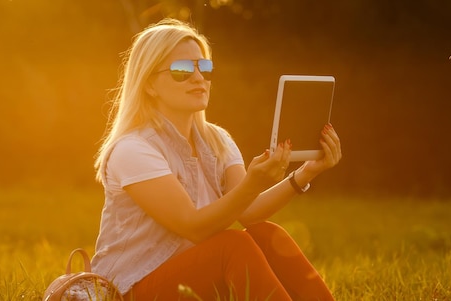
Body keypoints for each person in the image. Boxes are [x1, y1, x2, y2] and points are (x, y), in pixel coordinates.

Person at [91, 18, 342, 301]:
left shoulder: (216, 139)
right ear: (149, 84)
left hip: (193, 276)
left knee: (267, 234)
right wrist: (252, 183)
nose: (198, 78)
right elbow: (192, 226)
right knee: (232, 245)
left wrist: (305, 174)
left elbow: (249, 212)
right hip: (131, 289)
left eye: (204, 68)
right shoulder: (133, 149)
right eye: (182, 70)